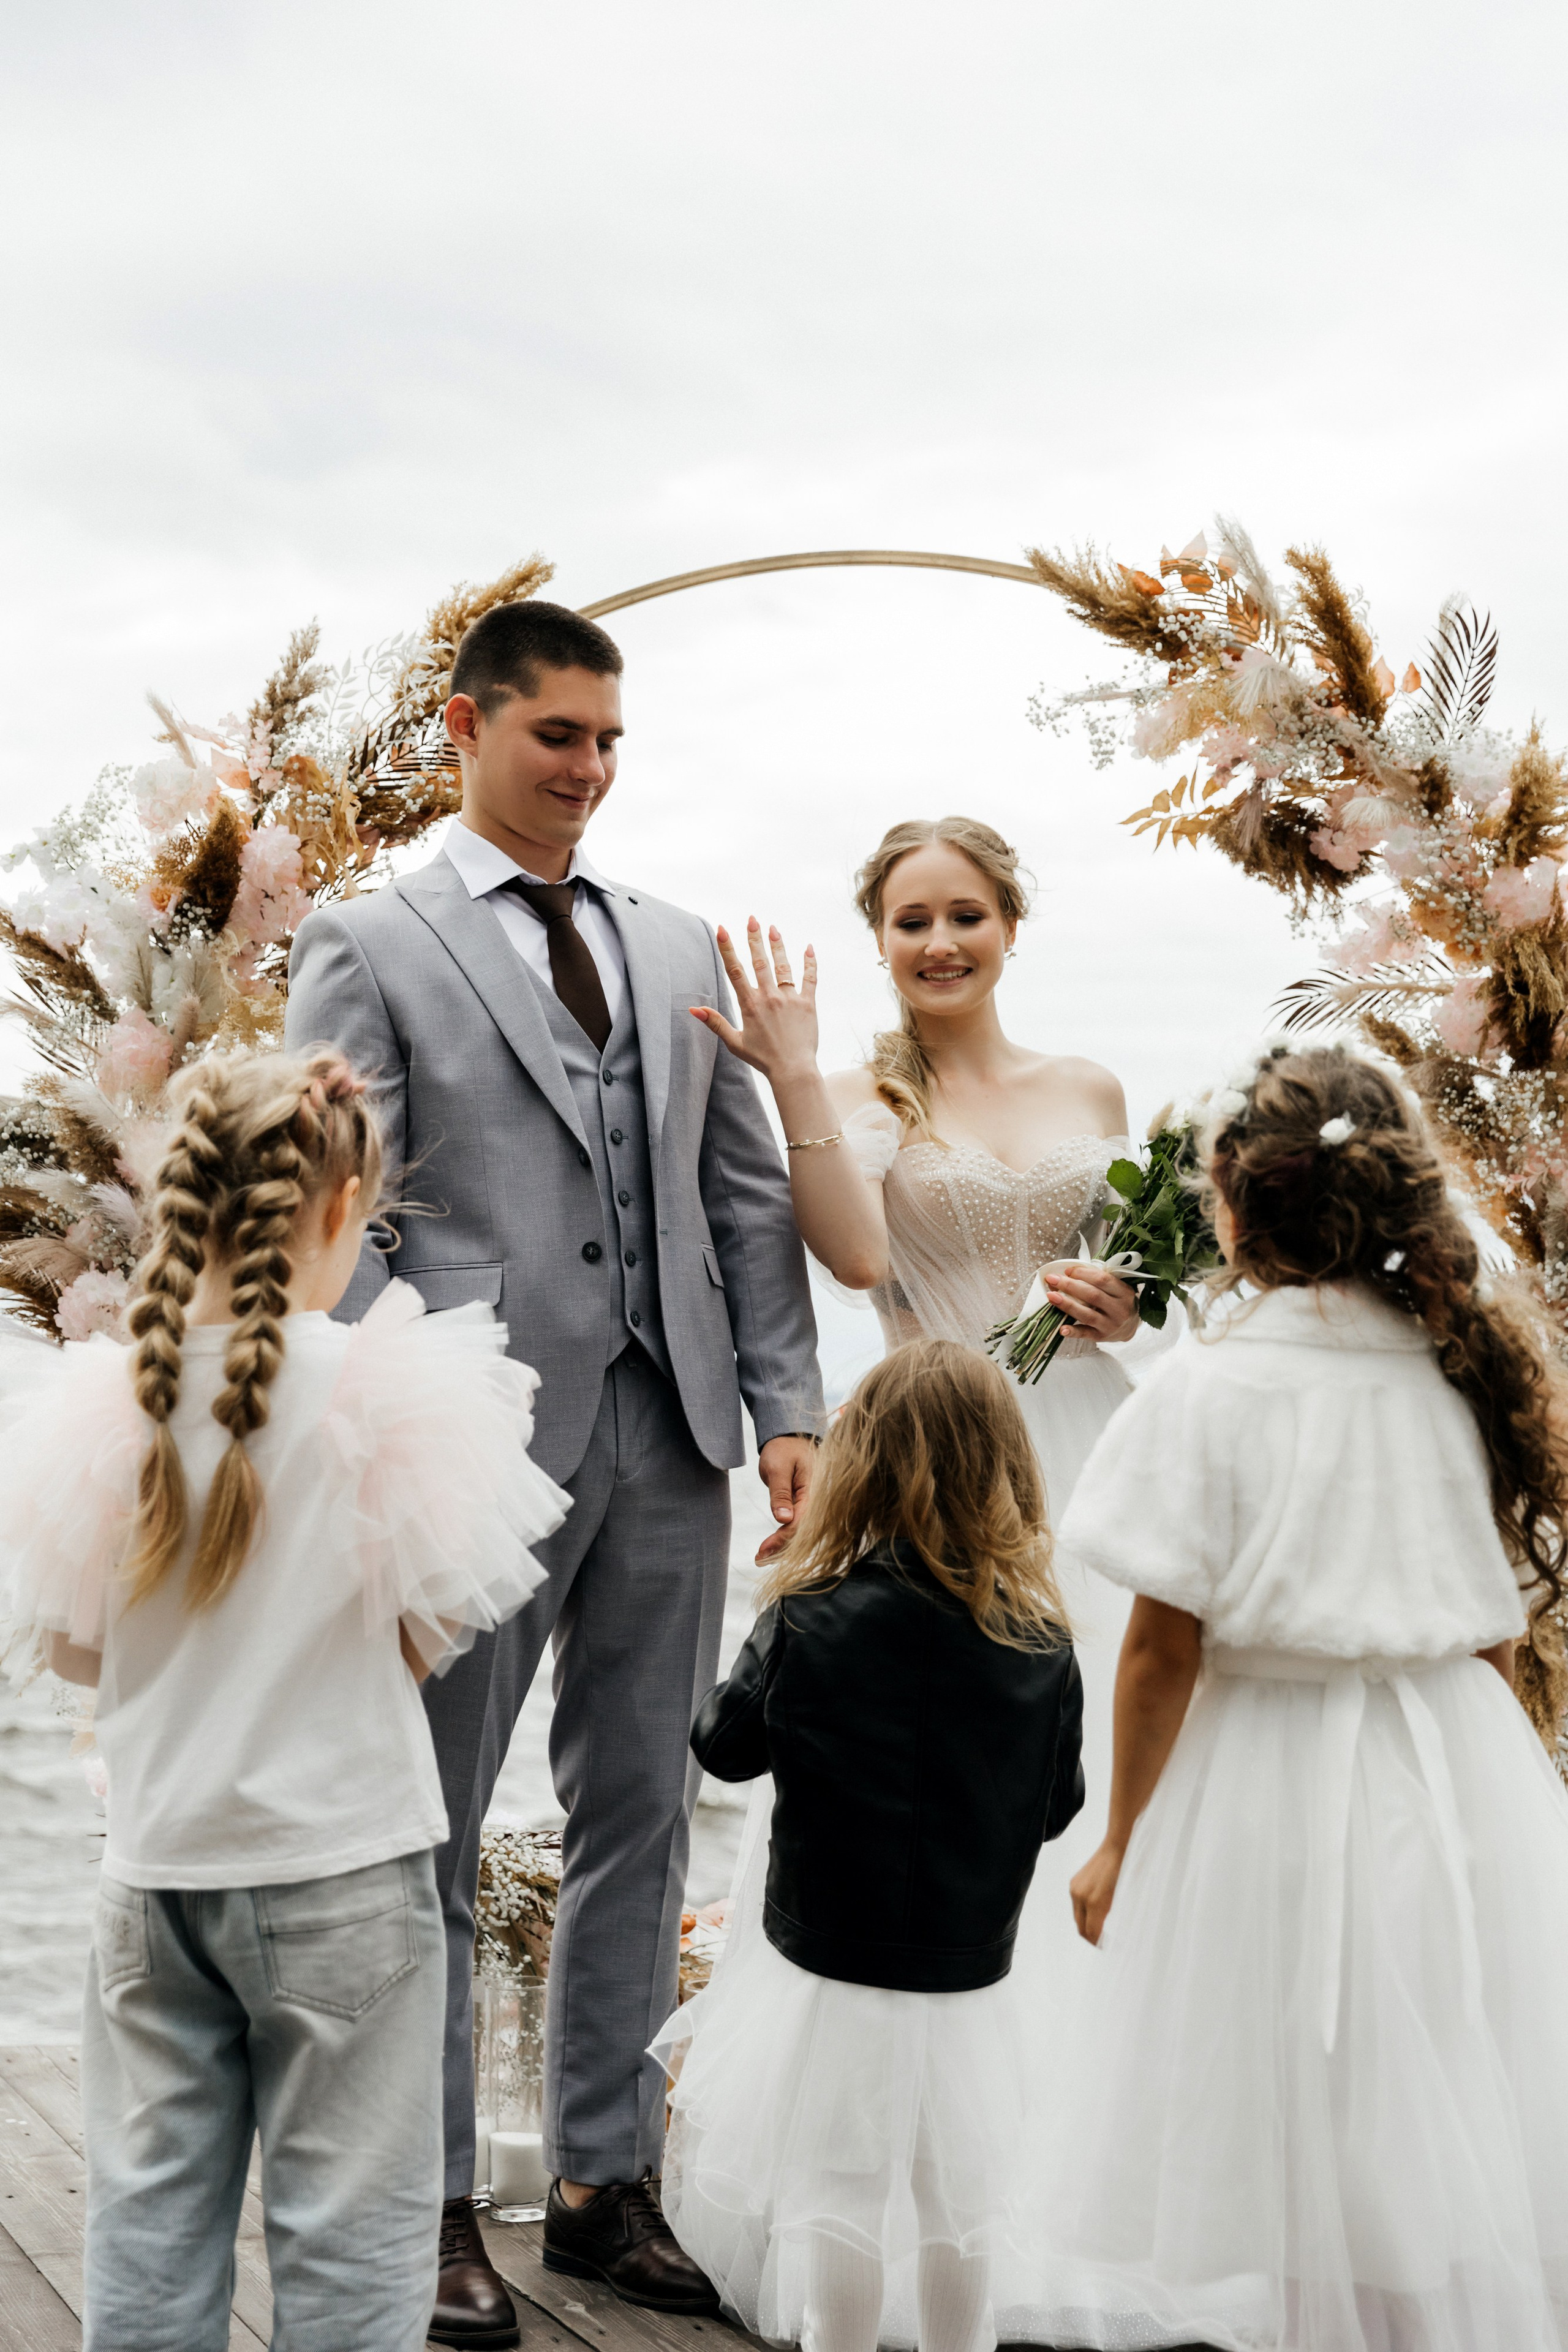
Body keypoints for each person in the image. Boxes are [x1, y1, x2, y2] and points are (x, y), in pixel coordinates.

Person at [285, 598, 824, 2345]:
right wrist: (395, 1413)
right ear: (466, 724)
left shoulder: (674, 947)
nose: (588, 771)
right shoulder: (370, 935)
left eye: (609, 742)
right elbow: (336, 1208)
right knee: (422, 1832)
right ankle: (428, 2207)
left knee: (646, 1810)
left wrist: (789, 1402)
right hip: (463, 1453)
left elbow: (742, 1196)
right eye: (556, 737)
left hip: (672, 1437)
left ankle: (606, 2183)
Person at [0, 1048, 566, 2352]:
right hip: (344, 1879)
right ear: (342, 1208)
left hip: (155, 1879)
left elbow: (84, 1658)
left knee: (146, 2229)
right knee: (354, 2248)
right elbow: (431, 1636)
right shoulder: (389, 1391)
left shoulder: (108, 1402)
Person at [1031, 1042, 1568, 2351]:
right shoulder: (1457, 1371)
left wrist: (1119, 1839)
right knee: (1425, 2095)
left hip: (1264, 1779)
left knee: (1271, 2115)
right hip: (1451, 1759)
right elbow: (1494, 1632)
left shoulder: (1214, 1385)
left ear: (1227, 1205)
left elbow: (1163, 1648)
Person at [694, 815, 1147, 1985]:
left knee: (1101, 1720)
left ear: (1009, 924)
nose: (941, 942)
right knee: (934, 1762)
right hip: (933, 1452)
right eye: (913, 922)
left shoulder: (1091, 1086)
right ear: (880, 941)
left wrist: (1124, 1307)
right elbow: (851, 1255)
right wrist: (794, 1077)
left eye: (965, 916)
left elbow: (1137, 1269)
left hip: (1092, 1440)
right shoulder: (859, 1093)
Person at [657, 1340, 1085, 2352]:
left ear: (863, 1468)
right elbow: (1058, 1807)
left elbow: (723, 1746)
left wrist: (791, 1595)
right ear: (1006, 1469)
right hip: (968, 1974)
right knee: (959, 2200)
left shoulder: (811, 1615)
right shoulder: (1042, 1641)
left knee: (837, 2193)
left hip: (834, 1965)